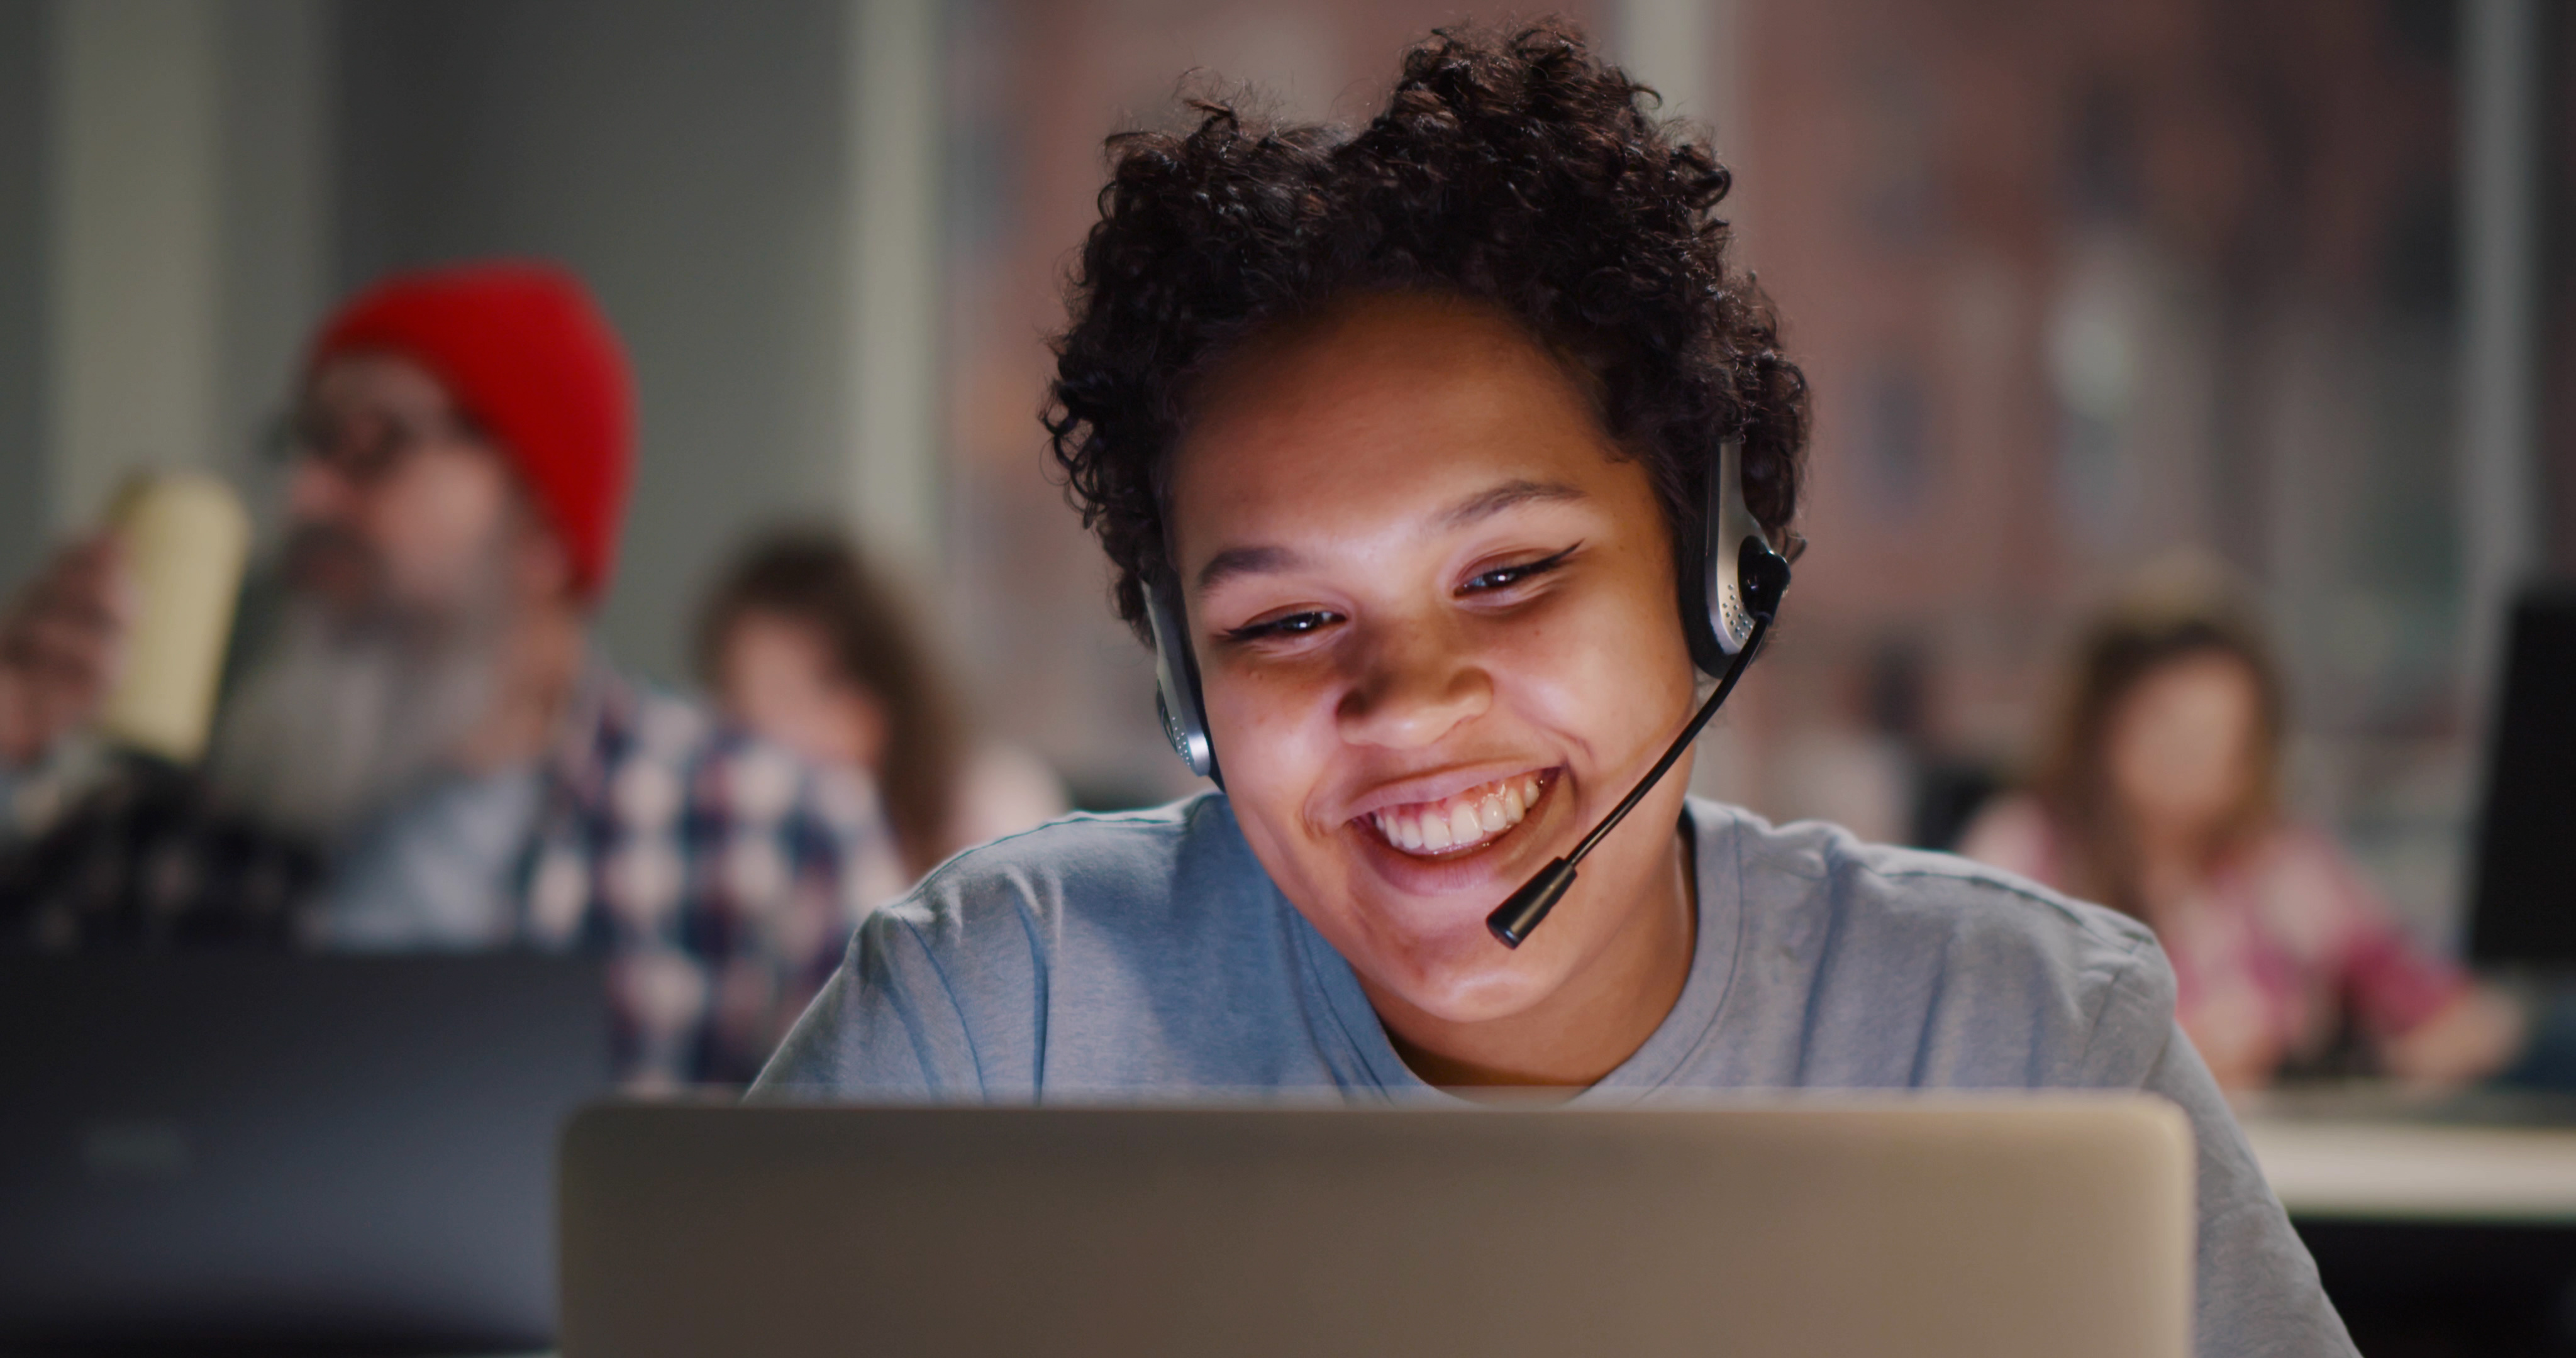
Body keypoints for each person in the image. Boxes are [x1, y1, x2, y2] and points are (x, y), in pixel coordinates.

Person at [753, 25, 2350, 1354]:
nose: (1403, 699)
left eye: (1510, 572)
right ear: (1186, 684)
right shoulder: (1000, 1018)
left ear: (1712, 582)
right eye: (1286, 618)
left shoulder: (2026, 1044)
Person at [0, 262, 906, 1086]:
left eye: (372, 447)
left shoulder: (771, 835)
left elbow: (871, 1212)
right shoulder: (160, 831)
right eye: (305, 447)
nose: (304, 501)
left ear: (543, 532)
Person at [1962, 565, 2521, 1092]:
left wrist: (2348, 1069)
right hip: (2096, 1166)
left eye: (2220, 733)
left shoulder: (2285, 867)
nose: (2192, 758)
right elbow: (1971, 1034)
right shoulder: (2024, 851)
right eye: (2166, 724)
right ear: (2099, 724)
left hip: (2279, 1167)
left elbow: (2463, 1018)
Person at [695, 527, 1067, 881]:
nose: (768, 734)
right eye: (740, 704)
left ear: (879, 696)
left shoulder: (996, 806)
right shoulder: (728, 844)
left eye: (790, 697)